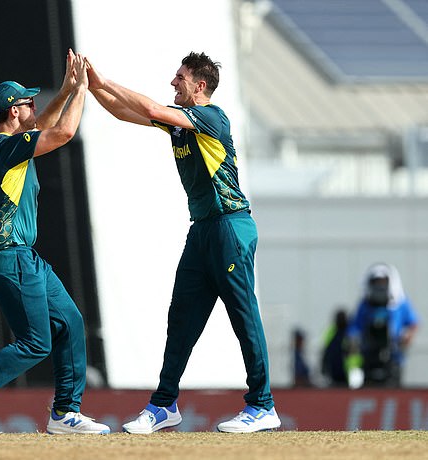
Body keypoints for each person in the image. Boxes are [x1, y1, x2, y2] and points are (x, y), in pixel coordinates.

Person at [86, 52, 280, 433]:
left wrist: (106, 80)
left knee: (243, 316)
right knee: (181, 318)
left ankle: (262, 405)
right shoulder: (182, 125)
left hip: (230, 226)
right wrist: (90, 86)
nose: (173, 82)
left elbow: (152, 106)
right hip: (204, 231)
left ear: (199, 85)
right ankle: (163, 405)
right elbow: (124, 113)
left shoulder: (210, 117)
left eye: (180, 77)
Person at [0, 50, 110, 435]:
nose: (35, 106)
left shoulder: (3, 146)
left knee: (70, 323)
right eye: (28, 103)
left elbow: (43, 126)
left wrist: (64, 92)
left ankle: (65, 413)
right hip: (9, 257)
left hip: (19, 257)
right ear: (14, 112)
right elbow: (62, 133)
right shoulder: (4, 148)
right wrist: (81, 88)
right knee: (35, 342)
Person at [348, 263, 420, 387]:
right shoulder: (365, 305)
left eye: (382, 282)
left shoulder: (400, 303)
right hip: (369, 355)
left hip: (393, 356)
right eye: (376, 282)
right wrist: (353, 344)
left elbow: (413, 323)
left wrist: (407, 337)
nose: (379, 286)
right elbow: (354, 327)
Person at [321, 308, 350, 387]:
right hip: (336, 373)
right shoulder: (333, 333)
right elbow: (326, 351)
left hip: (347, 373)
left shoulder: (349, 332)